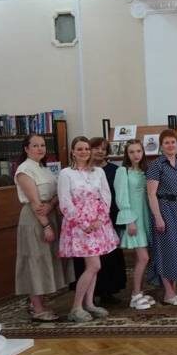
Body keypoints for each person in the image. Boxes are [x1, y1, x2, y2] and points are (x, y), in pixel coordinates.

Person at [58, 136, 120, 322]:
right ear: (73, 152)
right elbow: (65, 202)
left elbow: (106, 196)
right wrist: (84, 223)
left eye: (86, 148)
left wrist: (100, 219)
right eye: (79, 149)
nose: (84, 152)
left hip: (98, 225)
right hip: (79, 227)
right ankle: (76, 307)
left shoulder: (98, 172)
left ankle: (89, 303)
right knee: (94, 266)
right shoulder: (66, 174)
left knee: (93, 267)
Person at [14, 134, 72, 321]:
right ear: (26, 149)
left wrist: (52, 205)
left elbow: (55, 195)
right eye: (35, 145)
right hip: (35, 219)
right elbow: (35, 202)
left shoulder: (44, 169)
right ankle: (37, 308)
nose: (40, 148)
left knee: (46, 259)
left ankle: (39, 302)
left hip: (50, 214)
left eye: (42, 145)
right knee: (35, 260)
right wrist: (46, 225)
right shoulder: (24, 170)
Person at [145, 129, 177, 306]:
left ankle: (173, 290)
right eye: (166, 142)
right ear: (161, 145)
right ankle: (168, 293)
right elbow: (151, 194)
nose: (170, 145)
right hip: (164, 209)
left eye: (173, 142)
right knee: (166, 251)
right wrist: (158, 217)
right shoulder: (156, 165)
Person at [81, 137, 126, 306]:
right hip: (87, 220)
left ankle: (108, 292)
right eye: (96, 148)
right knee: (90, 259)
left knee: (109, 257)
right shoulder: (81, 171)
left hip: (109, 217)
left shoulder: (115, 170)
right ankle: (90, 294)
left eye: (104, 149)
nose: (100, 151)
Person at [114, 139, 156, 310]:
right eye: (131, 152)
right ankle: (135, 295)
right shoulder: (123, 171)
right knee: (143, 258)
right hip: (134, 219)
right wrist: (129, 221)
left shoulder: (145, 171)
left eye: (138, 151)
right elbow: (121, 197)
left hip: (146, 217)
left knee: (143, 258)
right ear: (127, 154)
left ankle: (139, 292)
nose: (136, 155)